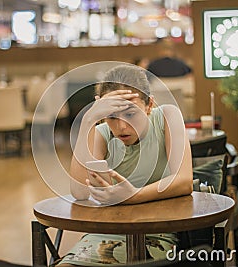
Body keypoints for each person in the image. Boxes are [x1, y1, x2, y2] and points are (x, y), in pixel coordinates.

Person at [58, 64, 193, 266]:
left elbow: (184, 181)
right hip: (106, 233)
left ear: (149, 106)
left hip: (156, 232)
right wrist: (88, 120)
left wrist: (132, 196)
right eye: (112, 116)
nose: (121, 126)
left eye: (130, 114)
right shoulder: (102, 134)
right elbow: (79, 192)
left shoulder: (167, 116)